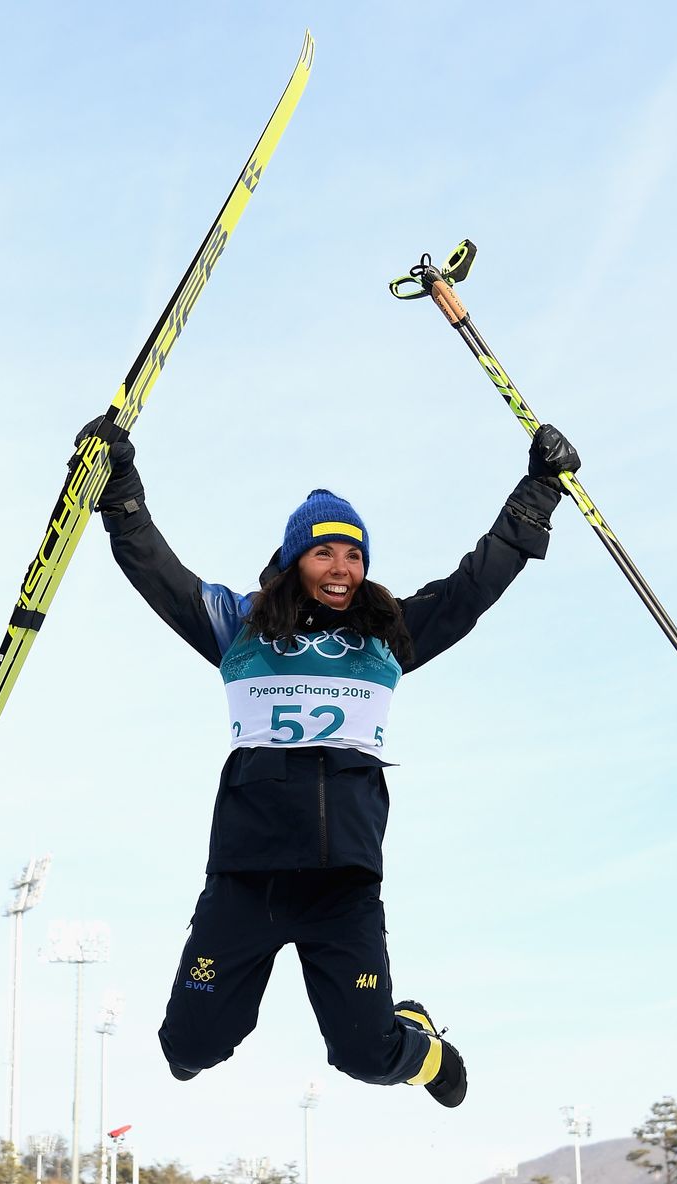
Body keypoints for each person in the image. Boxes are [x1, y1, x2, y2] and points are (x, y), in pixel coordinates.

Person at [89, 416, 579, 1108]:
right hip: (245, 880)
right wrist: (120, 489)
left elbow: (475, 586)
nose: (342, 570)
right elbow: (154, 567)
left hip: (340, 889)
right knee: (188, 1049)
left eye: (353, 556)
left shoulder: (388, 638)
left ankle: (423, 1045)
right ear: (295, 560)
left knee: (367, 1056)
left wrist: (537, 494)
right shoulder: (237, 625)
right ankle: (206, 1033)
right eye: (325, 554)